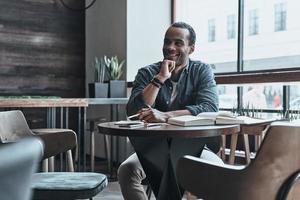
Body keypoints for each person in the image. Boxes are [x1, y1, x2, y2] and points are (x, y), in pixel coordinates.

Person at [118, 22, 219, 200]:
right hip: (154, 146)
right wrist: (160, 79)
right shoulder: (147, 72)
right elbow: (133, 110)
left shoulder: (202, 71)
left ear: (191, 48)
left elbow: (209, 107)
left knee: (216, 170)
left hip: (194, 146)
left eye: (178, 43)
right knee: (127, 171)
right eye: (167, 42)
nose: (170, 47)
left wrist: (166, 116)